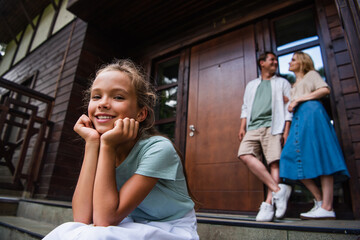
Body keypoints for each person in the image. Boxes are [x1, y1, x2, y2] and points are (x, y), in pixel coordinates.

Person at [43, 59, 199, 240]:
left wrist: (107, 146)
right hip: (130, 219)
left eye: (118, 97)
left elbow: (104, 219)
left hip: (171, 225)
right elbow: (81, 218)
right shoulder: (100, 147)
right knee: (67, 230)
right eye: (96, 96)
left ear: (141, 114)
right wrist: (92, 143)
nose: (103, 103)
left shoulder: (158, 149)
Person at [280, 52, 350, 220]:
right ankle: (319, 201)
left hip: (312, 114)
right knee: (289, 157)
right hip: (299, 119)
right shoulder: (293, 85)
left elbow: (324, 89)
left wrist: (299, 100)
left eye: (294, 59)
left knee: (321, 155)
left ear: (302, 62)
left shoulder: (311, 75)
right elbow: (290, 105)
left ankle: (327, 206)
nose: (290, 62)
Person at [237, 52, 293, 222]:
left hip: (273, 125)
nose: (275, 62)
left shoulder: (282, 82)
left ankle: (268, 204)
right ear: (262, 63)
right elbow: (245, 106)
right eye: (272, 60)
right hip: (253, 127)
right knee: (244, 154)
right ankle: (278, 191)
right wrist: (242, 127)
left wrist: (286, 130)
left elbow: (288, 107)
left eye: (276, 60)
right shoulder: (252, 85)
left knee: (273, 162)